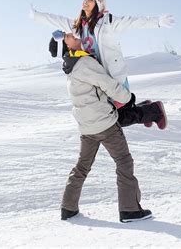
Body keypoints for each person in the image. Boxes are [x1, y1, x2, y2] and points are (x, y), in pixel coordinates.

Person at [55, 32, 153, 223]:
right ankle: (130, 210)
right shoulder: (84, 63)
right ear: (68, 46)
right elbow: (107, 84)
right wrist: (127, 98)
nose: (76, 36)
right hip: (104, 124)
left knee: (82, 166)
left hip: (87, 127)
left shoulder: (70, 67)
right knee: (124, 162)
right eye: (71, 37)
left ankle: (68, 208)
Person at [30, 0, 175, 110]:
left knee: (113, 114)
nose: (86, 1)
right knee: (110, 114)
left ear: (98, 5)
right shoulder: (78, 26)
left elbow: (132, 22)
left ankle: (150, 110)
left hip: (113, 73)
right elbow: (56, 19)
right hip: (98, 76)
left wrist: (157, 22)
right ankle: (148, 109)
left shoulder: (108, 22)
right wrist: (36, 15)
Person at [49, 31, 167, 129]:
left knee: (114, 122)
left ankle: (153, 111)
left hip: (115, 87)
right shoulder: (78, 58)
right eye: (67, 36)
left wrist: (125, 96)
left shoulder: (81, 58)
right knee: (112, 117)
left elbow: (104, 81)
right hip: (111, 92)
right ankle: (146, 109)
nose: (71, 33)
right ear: (68, 46)